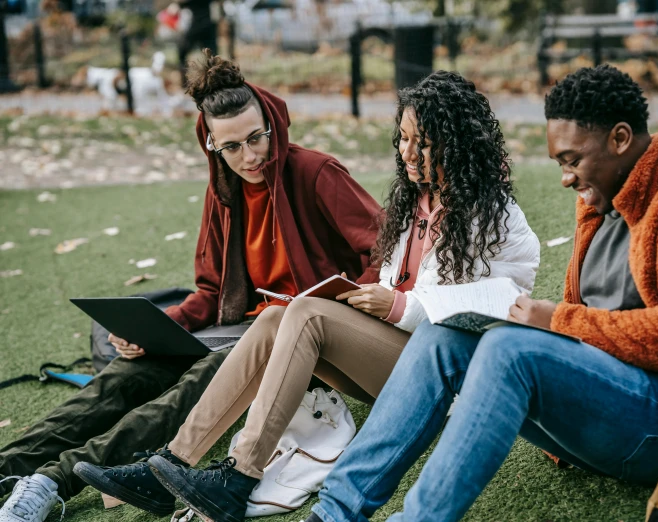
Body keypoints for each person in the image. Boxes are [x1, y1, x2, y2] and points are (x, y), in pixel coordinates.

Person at [301, 64, 658, 522]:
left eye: (573, 160)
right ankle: (334, 511)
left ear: (619, 139)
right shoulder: (600, 204)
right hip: (608, 413)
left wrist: (556, 322)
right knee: (443, 338)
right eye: (560, 162)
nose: (565, 178)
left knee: (512, 350)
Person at [73, 70, 541, 522]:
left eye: (424, 142)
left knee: (307, 314)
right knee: (275, 319)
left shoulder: (492, 214)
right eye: (402, 138)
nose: (409, 152)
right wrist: (369, 295)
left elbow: (496, 304)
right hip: (399, 358)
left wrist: (397, 306)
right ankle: (175, 462)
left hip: (448, 381)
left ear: (457, 143)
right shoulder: (415, 199)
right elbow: (392, 276)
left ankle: (237, 479)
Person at [0, 51, 382, 521]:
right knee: (123, 378)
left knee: (189, 388)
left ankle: (50, 481)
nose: (251, 155)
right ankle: (7, 467)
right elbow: (208, 291)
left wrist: (342, 301)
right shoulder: (223, 193)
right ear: (212, 147)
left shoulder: (317, 173)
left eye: (257, 137)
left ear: (272, 124)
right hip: (234, 328)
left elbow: (384, 253)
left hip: (296, 338)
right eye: (233, 147)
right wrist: (160, 328)